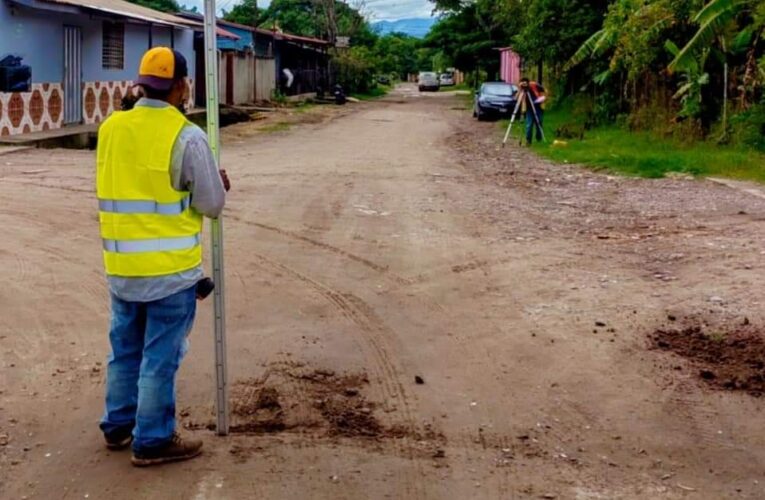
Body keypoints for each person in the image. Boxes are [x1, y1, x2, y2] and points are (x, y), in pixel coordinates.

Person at [96, 47, 229, 467]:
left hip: (122, 269)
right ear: (181, 86)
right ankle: (152, 440)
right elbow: (210, 204)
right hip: (170, 274)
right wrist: (217, 182)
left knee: (125, 349)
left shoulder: (111, 128)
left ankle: (118, 425)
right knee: (159, 357)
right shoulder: (187, 135)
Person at [519, 77, 546, 145]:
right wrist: (520, 89)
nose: (525, 85)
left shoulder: (534, 85)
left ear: (528, 82)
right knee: (529, 124)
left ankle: (539, 138)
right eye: (523, 83)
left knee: (539, 122)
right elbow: (518, 99)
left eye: (525, 83)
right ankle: (528, 140)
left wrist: (543, 99)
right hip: (529, 109)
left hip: (538, 106)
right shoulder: (522, 89)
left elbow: (544, 91)